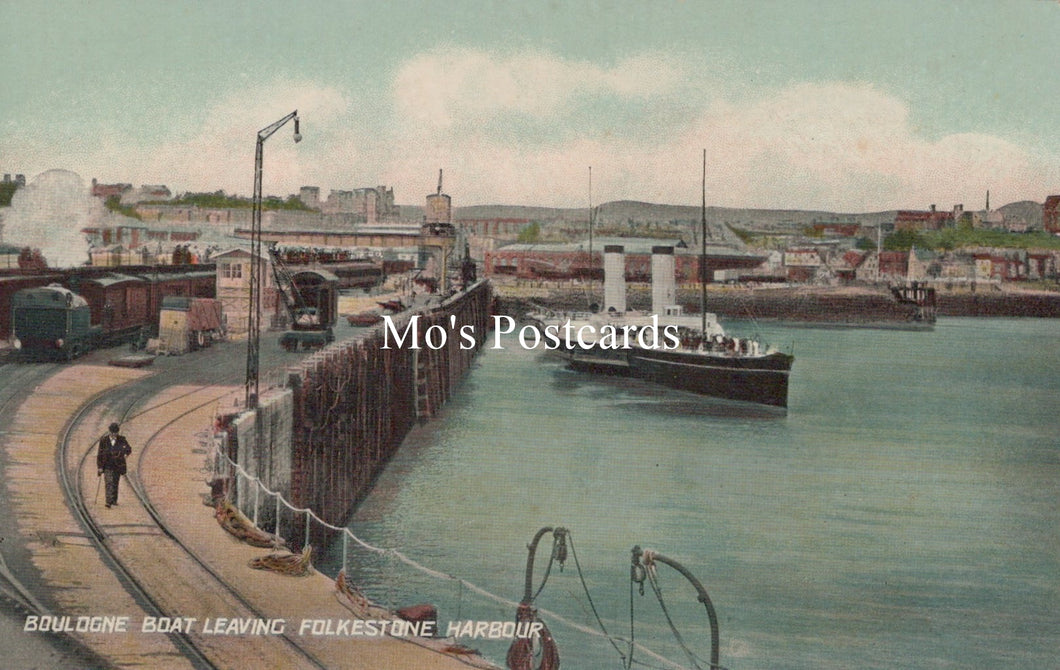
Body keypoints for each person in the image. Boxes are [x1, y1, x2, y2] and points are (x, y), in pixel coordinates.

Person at [97, 423, 132, 508]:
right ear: (109, 432)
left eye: (115, 433)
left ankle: (114, 500)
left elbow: (128, 449)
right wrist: (100, 467)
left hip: (118, 465)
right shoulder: (104, 440)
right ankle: (108, 501)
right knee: (108, 482)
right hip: (107, 465)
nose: (113, 434)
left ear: (117, 432)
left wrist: (125, 454)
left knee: (115, 483)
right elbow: (100, 454)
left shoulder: (122, 439)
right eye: (112, 432)